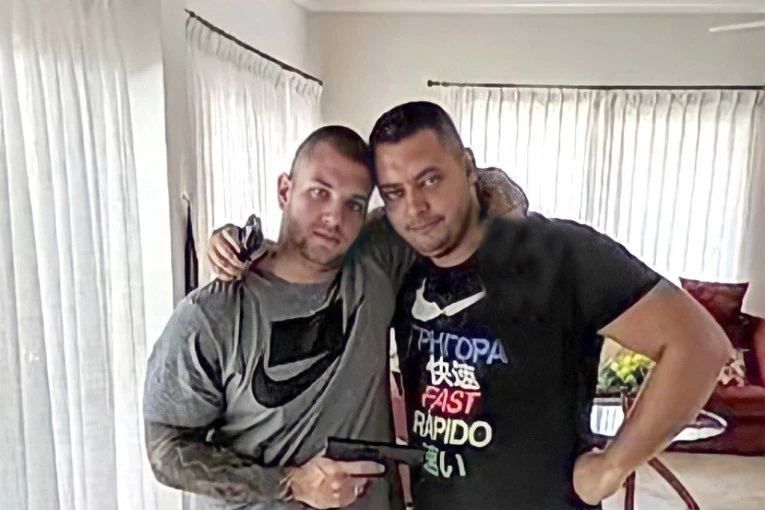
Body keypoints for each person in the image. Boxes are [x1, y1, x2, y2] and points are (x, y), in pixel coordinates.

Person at [211, 102, 732, 510]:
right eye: (394, 192)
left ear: (467, 167)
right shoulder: (400, 263)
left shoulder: (559, 254)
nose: (415, 207)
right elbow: (314, 249)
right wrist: (242, 245)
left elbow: (700, 344)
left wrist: (613, 466)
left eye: (430, 180)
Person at [145, 124, 519, 510]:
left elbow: (489, 190)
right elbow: (165, 450)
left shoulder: (376, 260)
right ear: (285, 190)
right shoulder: (213, 314)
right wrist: (290, 482)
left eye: (353, 204)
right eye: (319, 192)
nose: (333, 217)